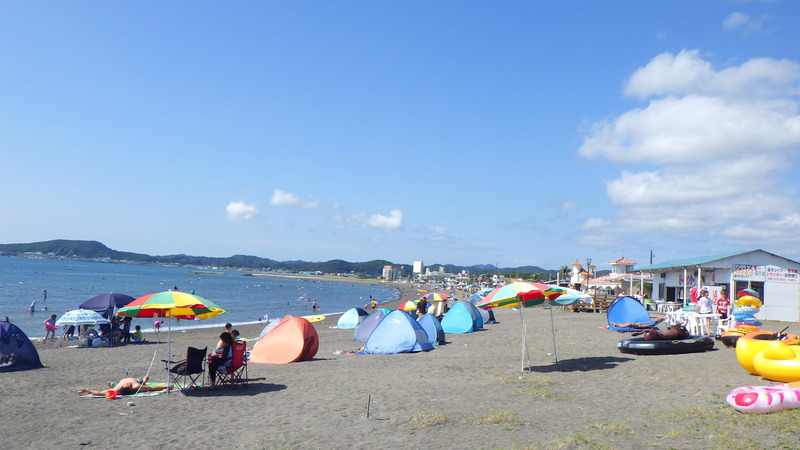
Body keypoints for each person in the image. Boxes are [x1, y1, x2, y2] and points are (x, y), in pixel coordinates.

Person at [77, 375, 166, 396]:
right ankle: (144, 380)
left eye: (128, 384)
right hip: (138, 381)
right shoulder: (136, 386)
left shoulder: (116, 389)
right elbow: (153, 388)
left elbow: (100, 392)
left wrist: (86, 390)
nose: (128, 383)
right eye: (129, 385)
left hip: (117, 383)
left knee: (113, 384)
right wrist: (166, 387)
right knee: (144, 380)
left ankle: (112, 383)